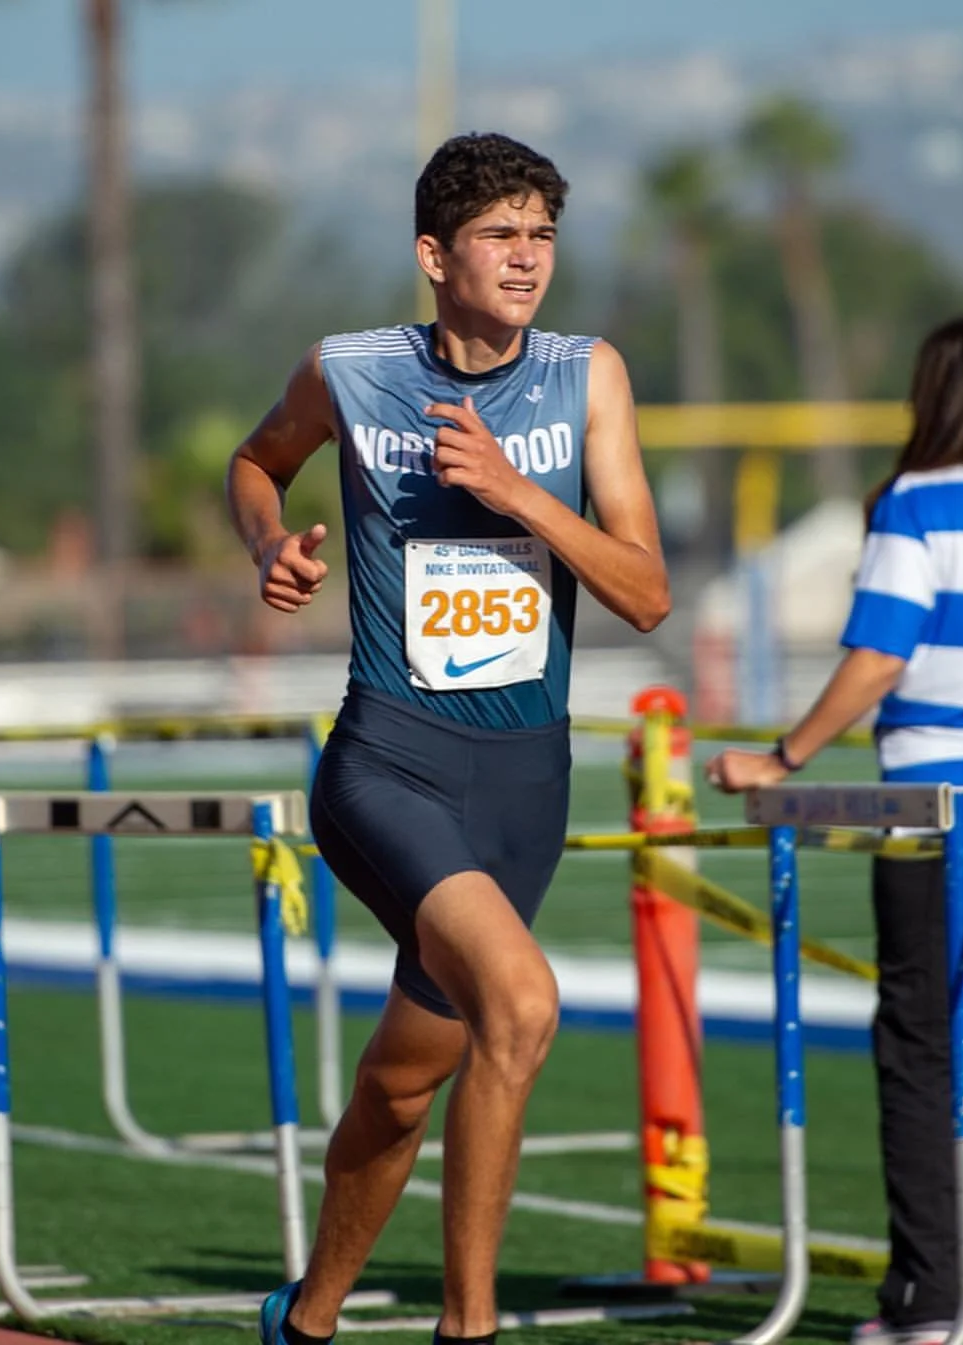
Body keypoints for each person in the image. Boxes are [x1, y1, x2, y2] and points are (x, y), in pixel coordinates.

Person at [226, 131, 670, 1345]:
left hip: (526, 781)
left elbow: (646, 592)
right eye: (500, 236)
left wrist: (525, 495)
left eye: (542, 237)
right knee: (520, 1004)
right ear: (435, 255)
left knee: (408, 1072)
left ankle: (306, 1316)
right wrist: (273, 548)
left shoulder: (589, 378)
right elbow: (256, 461)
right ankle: (466, 1330)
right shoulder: (353, 373)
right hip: (390, 761)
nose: (528, 260)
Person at [705, 314, 963, 1345]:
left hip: (937, 818)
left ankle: (932, 1303)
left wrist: (786, 754)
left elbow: (879, 654)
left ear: (936, 394)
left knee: (922, 1057)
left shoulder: (918, 502)